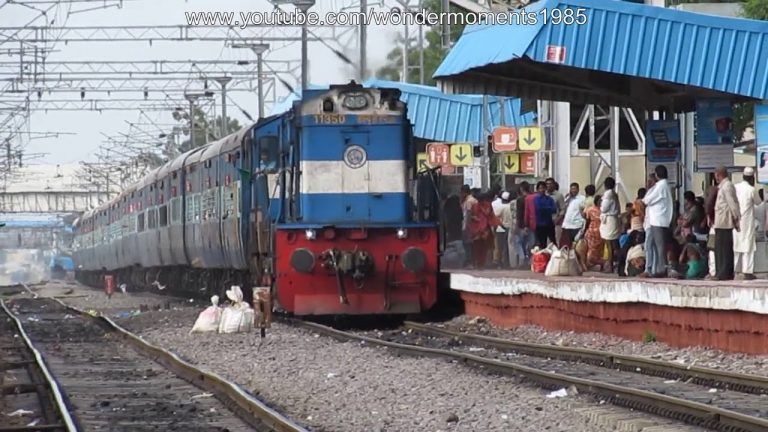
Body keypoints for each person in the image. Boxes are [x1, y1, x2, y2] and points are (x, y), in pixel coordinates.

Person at [640, 166, 673, 278]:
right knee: (657, 246)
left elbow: (647, 200)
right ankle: (657, 268)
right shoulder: (664, 185)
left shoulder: (660, 186)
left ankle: (661, 269)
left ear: (657, 175)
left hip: (657, 220)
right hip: (659, 219)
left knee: (658, 246)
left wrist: (644, 200)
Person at [712, 166, 740, 281]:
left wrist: (736, 218)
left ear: (719, 174)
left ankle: (724, 273)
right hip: (720, 221)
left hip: (725, 221)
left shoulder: (727, 186)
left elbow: (732, 203)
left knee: (724, 249)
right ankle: (721, 272)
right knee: (719, 249)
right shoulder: (722, 186)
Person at [733, 167, 761, 280]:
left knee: (735, 246)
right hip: (747, 223)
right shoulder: (751, 189)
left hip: (736, 222)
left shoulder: (735, 187)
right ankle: (747, 272)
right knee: (748, 247)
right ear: (751, 178)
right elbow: (758, 202)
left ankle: (733, 270)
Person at [467, 192, 500, 269]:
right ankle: (480, 264)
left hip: (480, 230)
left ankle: (480, 263)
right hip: (483, 229)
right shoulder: (485, 205)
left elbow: (490, 215)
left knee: (479, 248)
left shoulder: (477, 206)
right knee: (481, 248)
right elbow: (491, 216)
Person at [599, 177, 621, 273]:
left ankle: (611, 266)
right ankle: (619, 264)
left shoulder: (608, 194)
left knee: (610, 244)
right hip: (613, 220)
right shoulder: (614, 193)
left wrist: (601, 203)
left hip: (610, 221)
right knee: (615, 244)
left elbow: (603, 208)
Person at [584, 195, 606, 270]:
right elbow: (587, 221)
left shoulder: (604, 210)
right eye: (599, 201)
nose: (600, 202)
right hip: (592, 231)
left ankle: (600, 264)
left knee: (600, 249)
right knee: (591, 248)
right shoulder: (590, 210)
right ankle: (589, 263)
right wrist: (584, 231)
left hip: (601, 232)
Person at [533, 181, 558, 248]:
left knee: (553, 242)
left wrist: (544, 209)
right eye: (540, 188)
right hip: (539, 224)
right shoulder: (535, 199)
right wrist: (547, 208)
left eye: (543, 188)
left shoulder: (549, 199)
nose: (542, 190)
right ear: (537, 190)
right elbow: (537, 209)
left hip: (549, 223)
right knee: (542, 243)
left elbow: (554, 209)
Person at [515, 182, 534, 267]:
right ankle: (530, 259)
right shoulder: (533, 198)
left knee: (519, 242)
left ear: (521, 189)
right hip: (532, 224)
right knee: (530, 243)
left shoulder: (520, 200)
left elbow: (519, 214)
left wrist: (518, 225)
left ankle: (522, 258)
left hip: (522, 225)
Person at [561, 182, 585, 248]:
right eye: (571, 189)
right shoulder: (568, 199)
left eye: (574, 189)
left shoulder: (582, 199)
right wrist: (568, 198)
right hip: (567, 225)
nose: (573, 190)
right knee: (566, 246)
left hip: (577, 225)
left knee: (576, 245)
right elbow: (564, 208)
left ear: (578, 189)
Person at [498, 192, 518, 268]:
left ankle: (504, 263)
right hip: (512, 227)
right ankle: (511, 263)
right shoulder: (512, 206)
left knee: (503, 247)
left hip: (503, 228)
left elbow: (497, 217)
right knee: (511, 246)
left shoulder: (503, 207)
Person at [493, 191, 511, 268]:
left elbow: (496, 216)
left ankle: (500, 262)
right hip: (510, 228)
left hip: (501, 228)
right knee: (507, 246)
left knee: (500, 246)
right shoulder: (511, 206)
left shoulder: (501, 207)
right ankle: (507, 262)